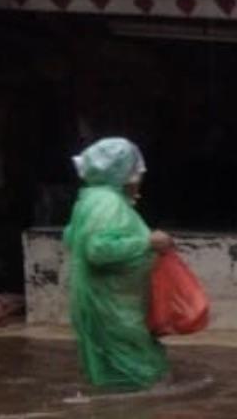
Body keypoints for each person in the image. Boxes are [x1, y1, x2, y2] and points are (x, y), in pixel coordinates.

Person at [63, 137, 173, 390]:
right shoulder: (108, 203)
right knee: (141, 378)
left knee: (111, 376)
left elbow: (71, 237)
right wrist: (148, 243)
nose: (139, 177)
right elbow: (98, 250)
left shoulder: (90, 199)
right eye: (136, 171)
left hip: (100, 301)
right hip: (112, 307)